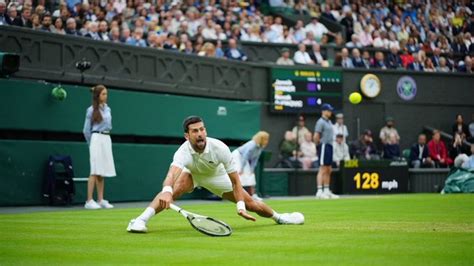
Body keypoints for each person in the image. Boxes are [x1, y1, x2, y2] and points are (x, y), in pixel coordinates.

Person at [127, 116, 304, 233]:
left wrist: (240, 206)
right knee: (174, 189)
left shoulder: (220, 148)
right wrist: (167, 189)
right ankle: (140, 220)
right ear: (186, 136)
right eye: (195, 131)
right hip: (193, 174)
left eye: (202, 129)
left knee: (252, 204)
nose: (200, 134)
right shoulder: (183, 152)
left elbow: (236, 182)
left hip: (217, 176)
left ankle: (280, 217)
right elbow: (171, 174)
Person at [82, 85, 116, 209]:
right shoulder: (90, 110)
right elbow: (86, 130)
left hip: (106, 139)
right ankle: (89, 201)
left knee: (102, 172)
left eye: (106, 94)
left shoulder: (108, 109)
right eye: (103, 94)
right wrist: (91, 144)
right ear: (98, 95)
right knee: (95, 170)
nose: (105, 96)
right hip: (96, 139)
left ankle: (100, 199)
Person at [231, 131, 270, 201]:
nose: (267, 141)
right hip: (237, 156)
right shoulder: (252, 145)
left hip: (243, 159)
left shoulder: (260, 147)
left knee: (251, 175)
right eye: (266, 139)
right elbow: (245, 156)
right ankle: (237, 195)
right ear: (261, 139)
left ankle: (253, 195)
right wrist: (241, 169)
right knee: (239, 174)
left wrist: (252, 170)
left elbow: (255, 159)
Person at [314, 104, 338, 199]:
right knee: (323, 169)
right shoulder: (320, 122)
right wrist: (319, 146)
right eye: (328, 110)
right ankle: (319, 191)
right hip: (323, 146)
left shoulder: (329, 122)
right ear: (323, 111)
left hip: (329, 146)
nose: (330, 112)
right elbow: (316, 136)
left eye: (330, 110)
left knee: (329, 169)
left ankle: (326, 190)